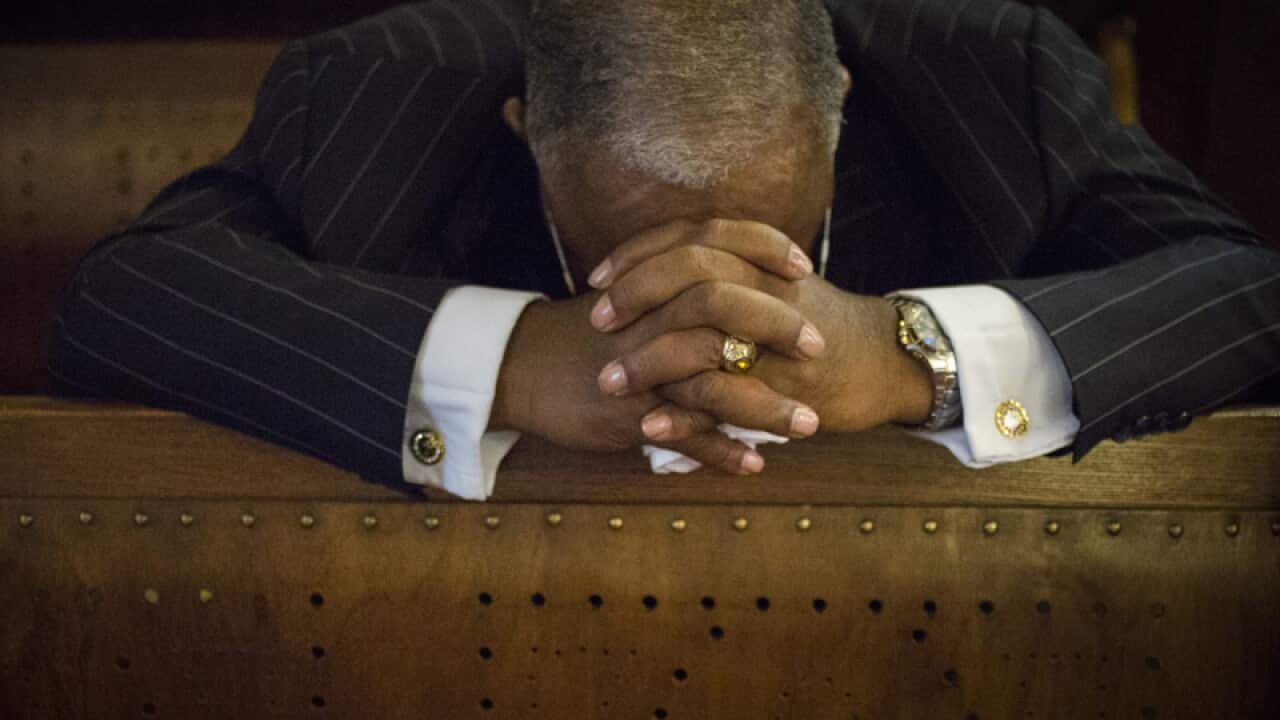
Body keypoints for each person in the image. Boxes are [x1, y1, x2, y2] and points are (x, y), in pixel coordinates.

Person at [50, 0, 1280, 500]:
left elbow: (1245, 290)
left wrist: (909, 355)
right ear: (524, 133)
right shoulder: (369, 94)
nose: (709, 313)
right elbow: (117, 297)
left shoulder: (988, 79)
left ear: (838, 104)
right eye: (637, 266)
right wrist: (508, 357)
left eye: (765, 246)